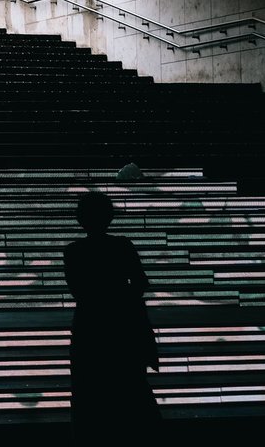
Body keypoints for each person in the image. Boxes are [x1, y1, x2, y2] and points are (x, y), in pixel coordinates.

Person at [63, 191, 161, 446]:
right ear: (110, 217)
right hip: (122, 326)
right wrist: (120, 297)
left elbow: (79, 291)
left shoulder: (73, 252)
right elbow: (140, 282)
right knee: (129, 389)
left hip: (90, 327)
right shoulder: (123, 246)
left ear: (80, 219)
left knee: (90, 392)